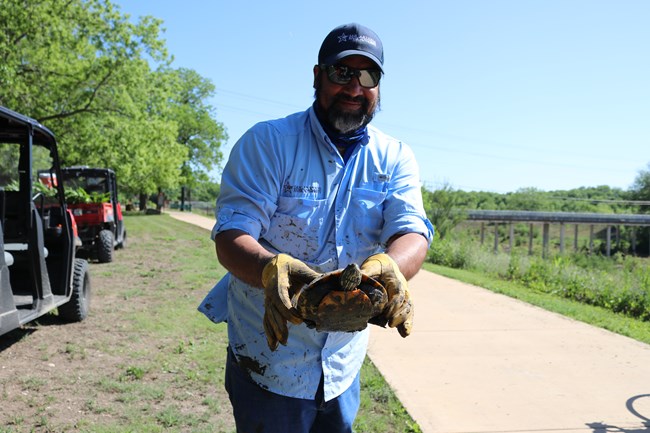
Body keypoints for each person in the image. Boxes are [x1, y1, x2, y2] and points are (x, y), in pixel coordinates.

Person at [198, 22, 434, 433]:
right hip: (268, 356)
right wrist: (270, 269)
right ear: (317, 75)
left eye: (368, 76)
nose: (355, 88)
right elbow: (231, 236)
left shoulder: (394, 157)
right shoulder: (268, 143)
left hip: (342, 363)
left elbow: (411, 231)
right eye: (343, 73)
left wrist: (394, 265)